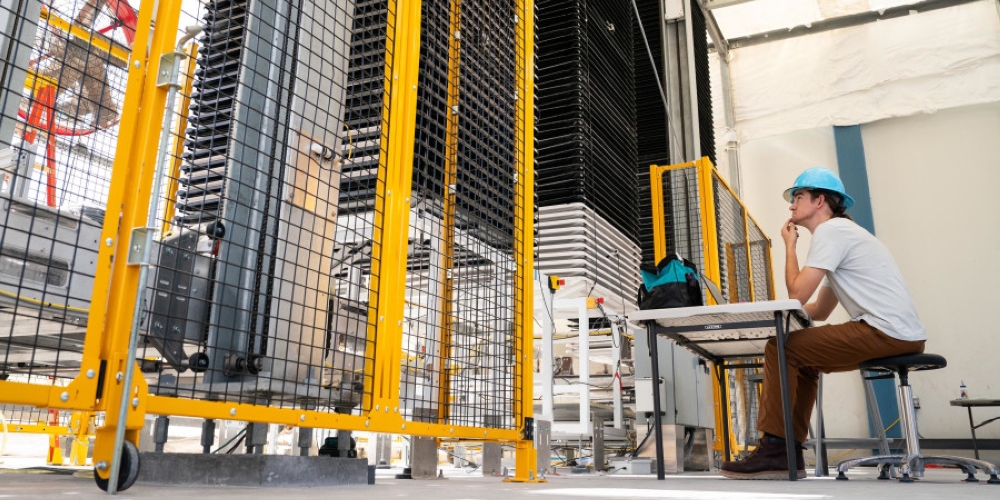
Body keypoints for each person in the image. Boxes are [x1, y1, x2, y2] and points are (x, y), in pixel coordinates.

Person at [720, 167, 927, 480]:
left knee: (781, 347)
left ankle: (776, 450)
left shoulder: (832, 231)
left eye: (798, 197)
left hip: (886, 332)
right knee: (802, 360)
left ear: (820, 201)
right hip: (901, 334)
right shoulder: (842, 235)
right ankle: (788, 451)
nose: (791, 205)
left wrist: (789, 247)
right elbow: (819, 311)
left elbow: (797, 294)